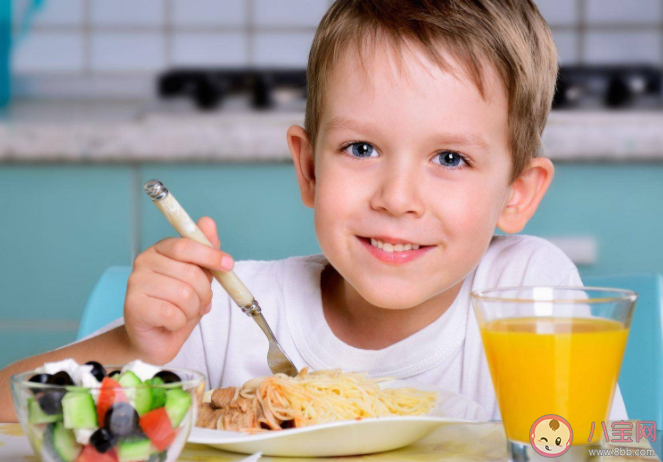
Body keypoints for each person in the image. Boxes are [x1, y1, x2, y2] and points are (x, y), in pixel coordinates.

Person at [0, 0, 627, 422]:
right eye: (361, 148)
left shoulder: (526, 293)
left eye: (451, 159)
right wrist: (135, 346)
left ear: (517, 193)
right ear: (308, 168)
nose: (397, 198)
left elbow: (619, 448)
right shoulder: (233, 312)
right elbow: (10, 406)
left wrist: (590, 442)